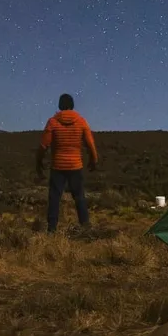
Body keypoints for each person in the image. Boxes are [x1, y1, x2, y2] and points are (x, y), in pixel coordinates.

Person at [36, 93, 99, 233]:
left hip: (58, 166)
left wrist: (38, 162)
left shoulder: (52, 122)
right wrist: (94, 160)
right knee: (79, 196)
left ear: (60, 105)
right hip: (75, 165)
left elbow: (43, 145)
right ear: (72, 105)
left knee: (54, 197)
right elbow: (90, 143)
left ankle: (52, 229)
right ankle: (85, 226)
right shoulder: (81, 121)